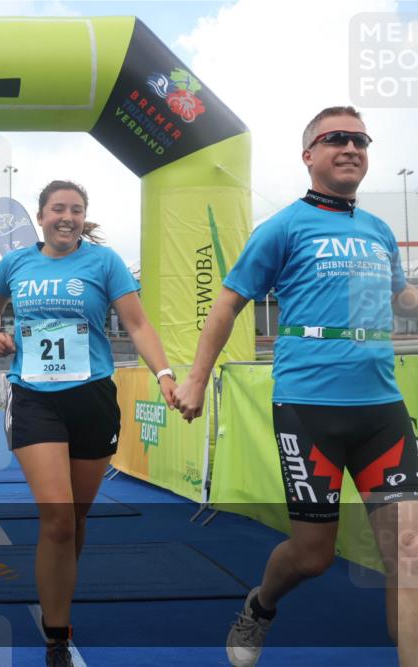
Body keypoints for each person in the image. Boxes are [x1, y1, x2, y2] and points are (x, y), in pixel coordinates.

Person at [173, 106, 418, 667]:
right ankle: (260, 605)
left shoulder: (379, 231)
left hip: (382, 409)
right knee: (313, 557)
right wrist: (195, 379)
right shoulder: (283, 226)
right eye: (336, 139)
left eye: (360, 139)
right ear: (309, 155)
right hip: (309, 409)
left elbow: (402, 298)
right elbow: (229, 304)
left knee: (408, 550)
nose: (351, 147)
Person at [0, 180, 177, 666]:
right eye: (57, 209)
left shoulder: (104, 264)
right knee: (59, 518)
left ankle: (59, 582)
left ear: (83, 218)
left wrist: (166, 374)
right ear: (41, 216)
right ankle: (57, 635)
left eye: (76, 210)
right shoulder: (17, 263)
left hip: (92, 398)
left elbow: (137, 324)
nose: (66, 217)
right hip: (34, 399)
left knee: (77, 519)